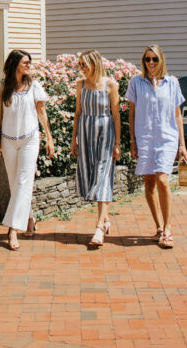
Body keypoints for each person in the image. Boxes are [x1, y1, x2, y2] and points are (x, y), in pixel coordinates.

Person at [126, 44, 187, 249]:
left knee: (163, 179)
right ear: (143, 62)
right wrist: (132, 141)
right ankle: (159, 227)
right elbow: (132, 114)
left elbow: (177, 115)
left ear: (161, 60)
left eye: (154, 59)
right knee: (150, 183)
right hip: (144, 137)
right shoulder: (136, 82)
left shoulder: (172, 83)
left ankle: (168, 228)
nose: (151, 63)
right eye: (147, 59)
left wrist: (182, 144)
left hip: (167, 138)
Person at [0, 49, 54, 250]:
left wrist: (49, 138)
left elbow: (42, 113)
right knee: (15, 183)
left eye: (29, 62)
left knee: (23, 181)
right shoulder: (1, 86)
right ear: (15, 64)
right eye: (25, 62)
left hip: (30, 139)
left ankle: (12, 230)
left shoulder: (34, 86)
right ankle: (29, 219)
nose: (29, 65)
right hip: (8, 140)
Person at [70, 49, 121, 247]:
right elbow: (77, 112)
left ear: (95, 64)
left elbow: (116, 114)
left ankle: (99, 227)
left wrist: (118, 143)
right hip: (85, 132)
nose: (82, 68)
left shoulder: (110, 84)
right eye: (80, 64)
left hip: (106, 133)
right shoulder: (80, 85)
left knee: (102, 176)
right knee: (92, 175)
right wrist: (74, 139)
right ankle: (106, 220)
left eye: (84, 64)